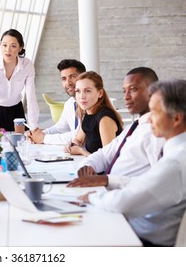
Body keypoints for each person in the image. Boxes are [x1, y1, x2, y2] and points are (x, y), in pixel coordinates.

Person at [76, 79, 186, 246]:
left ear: (177, 119)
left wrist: (92, 197)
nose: (149, 120)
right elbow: (149, 183)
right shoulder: (177, 153)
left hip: (142, 240)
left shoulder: (176, 162)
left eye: (155, 112)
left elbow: (122, 202)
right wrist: (109, 180)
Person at [68, 67, 163, 187]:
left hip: (125, 196)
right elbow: (104, 154)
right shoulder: (134, 127)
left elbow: (158, 183)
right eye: (124, 91)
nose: (126, 97)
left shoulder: (157, 132)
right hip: (107, 190)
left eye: (133, 89)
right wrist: (88, 165)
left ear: (153, 92)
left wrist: (107, 181)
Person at [0, 29, 39, 131]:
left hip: (17, 111)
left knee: (21, 143)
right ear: (0, 46)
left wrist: (33, 127)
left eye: (13, 46)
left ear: (20, 48)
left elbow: (31, 96)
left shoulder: (27, 65)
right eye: (4, 45)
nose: (8, 50)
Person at [64, 71, 123, 156]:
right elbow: (78, 140)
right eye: (78, 91)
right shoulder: (88, 113)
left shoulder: (105, 118)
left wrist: (81, 151)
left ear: (100, 93)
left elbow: (109, 158)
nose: (82, 96)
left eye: (87, 91)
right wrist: (70, 145)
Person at [28, 59, 86, 145]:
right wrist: (37, 134)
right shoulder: (70, 104)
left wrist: (44, 138)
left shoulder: (89, 103)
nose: (68, 82)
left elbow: (78, 136)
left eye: (72, 77)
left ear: (84, 77)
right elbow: (59, 129)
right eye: (64, 79)